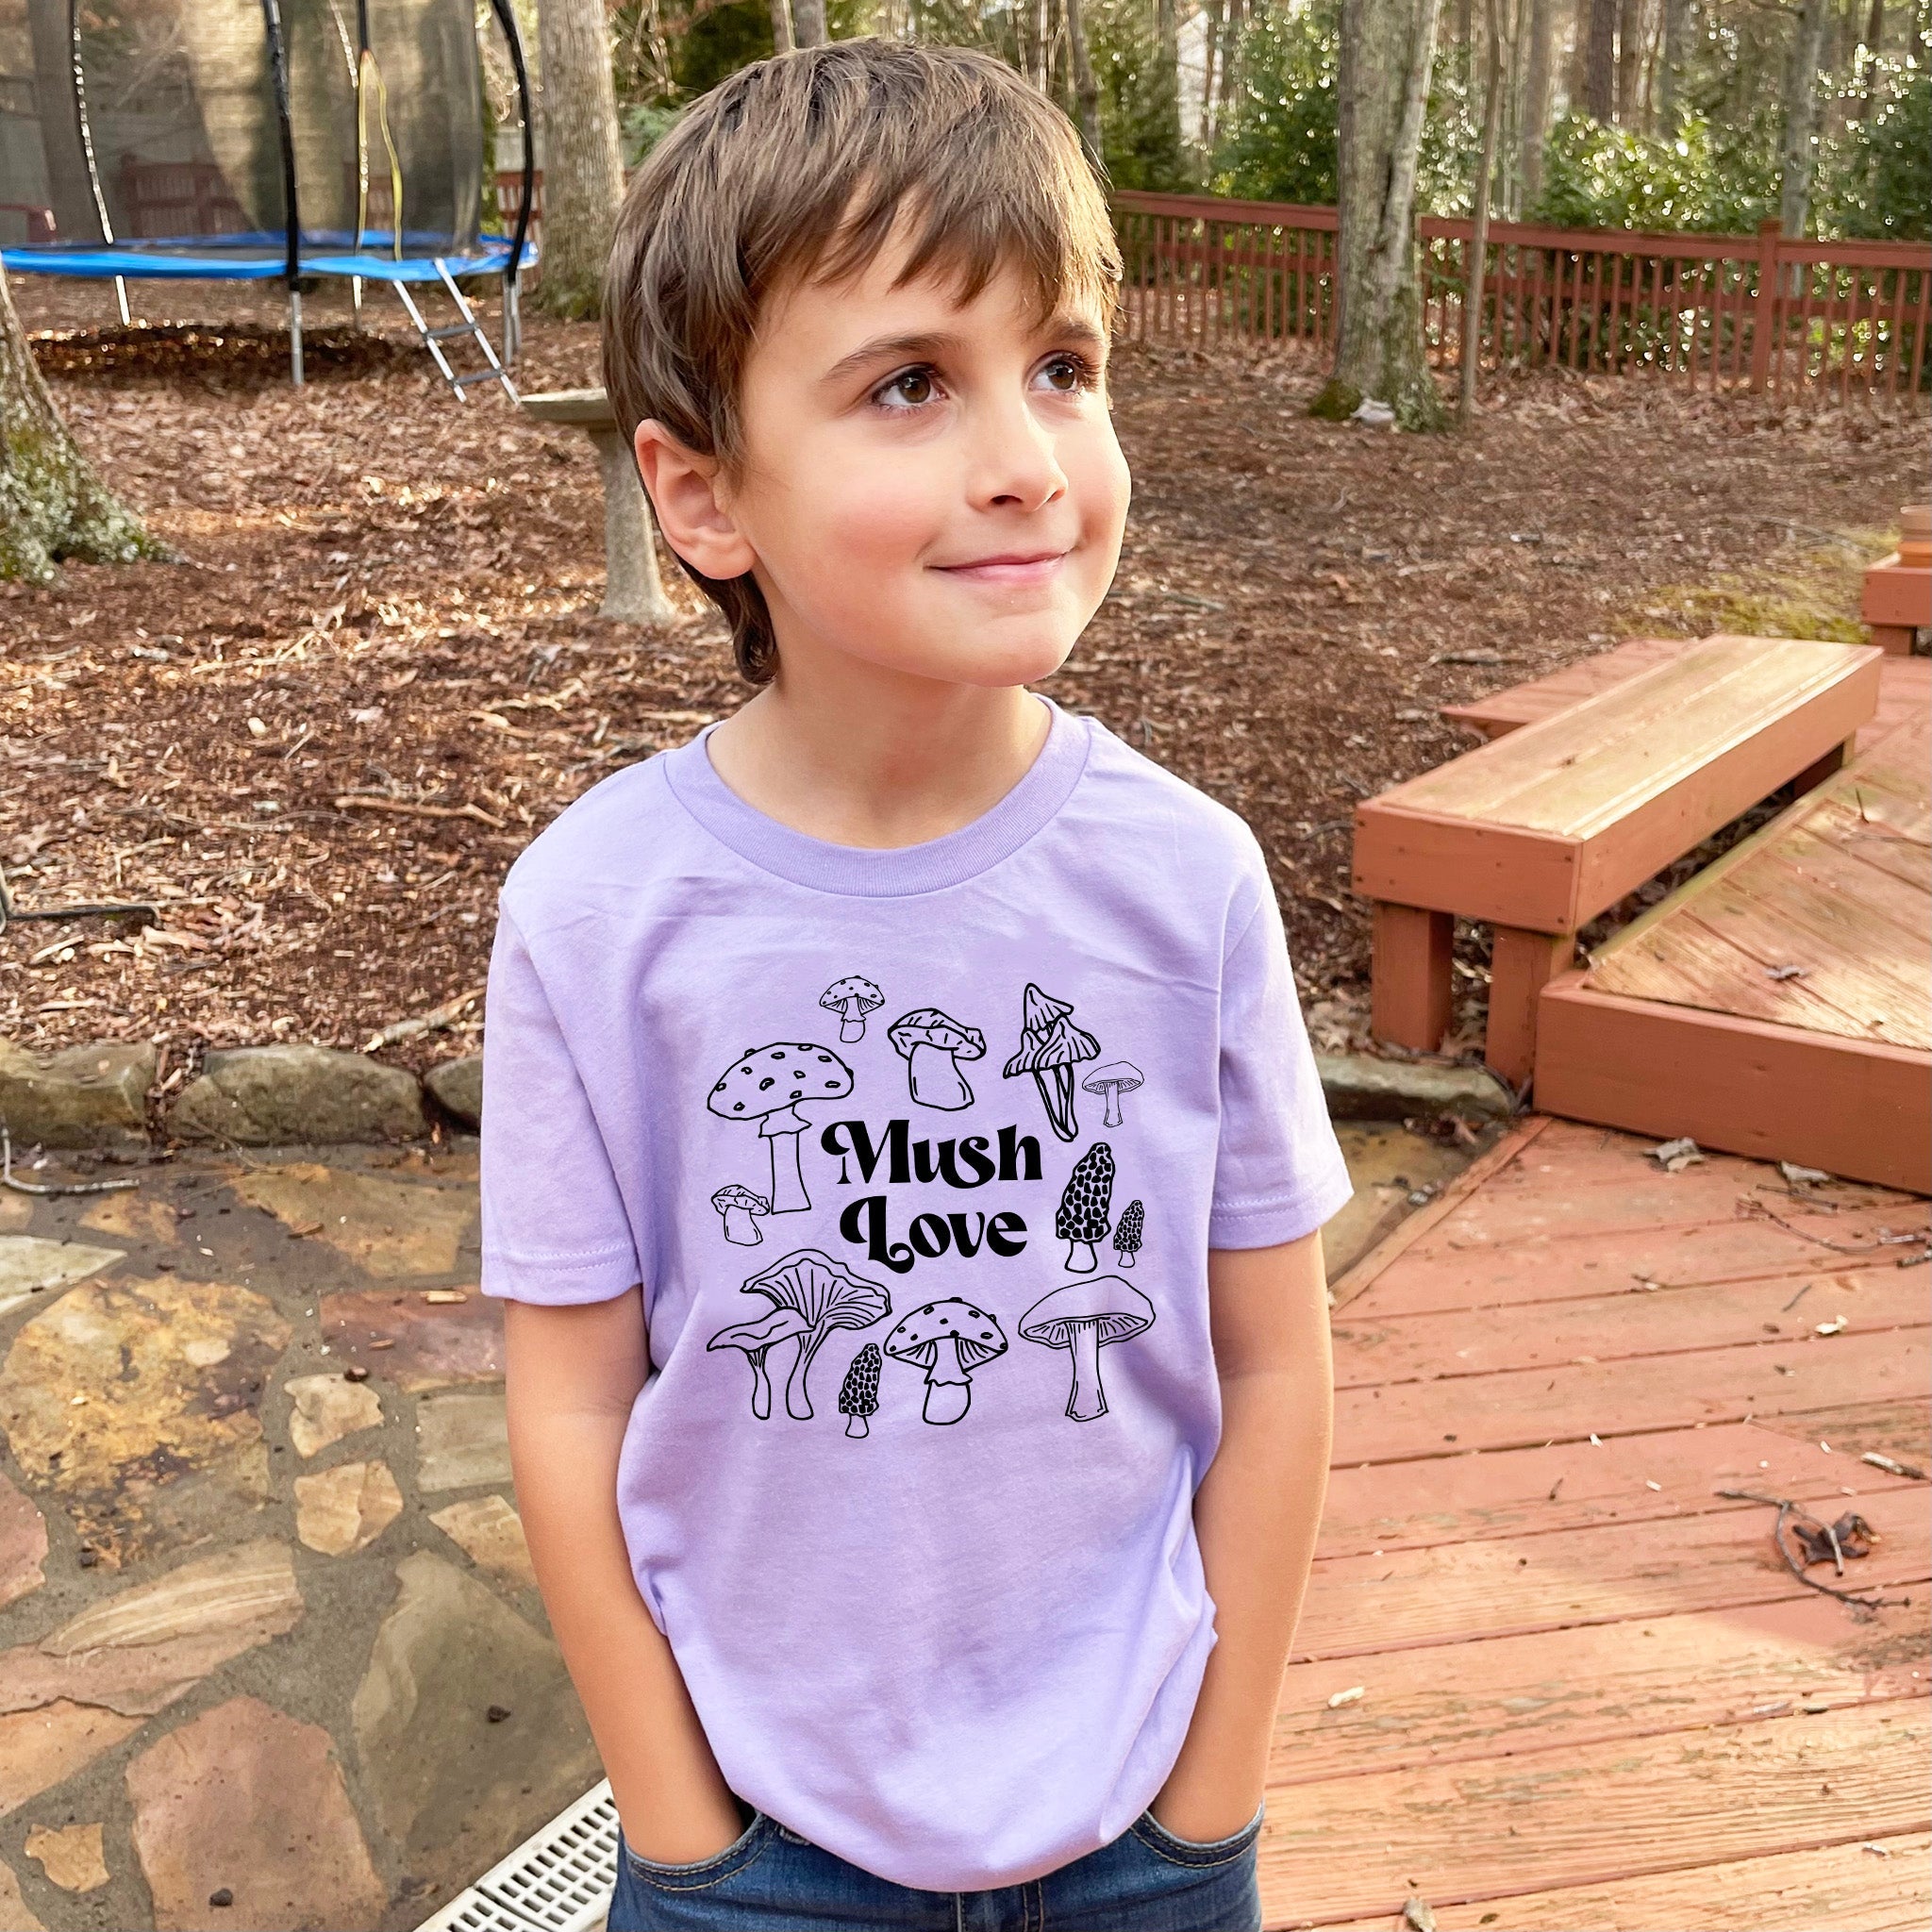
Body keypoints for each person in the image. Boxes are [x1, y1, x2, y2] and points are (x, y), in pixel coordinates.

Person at [482, 38, 1351, 1932]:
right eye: (909, 385)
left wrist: (1208, 1802)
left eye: (1065, 368)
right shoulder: (596, 915)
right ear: (702, 496)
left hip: (1141, 1833)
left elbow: (1276, 1361)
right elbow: (570, 1406)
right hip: (756, 1852)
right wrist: (682, 1835)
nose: (1027, 460)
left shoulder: (1188, 882)